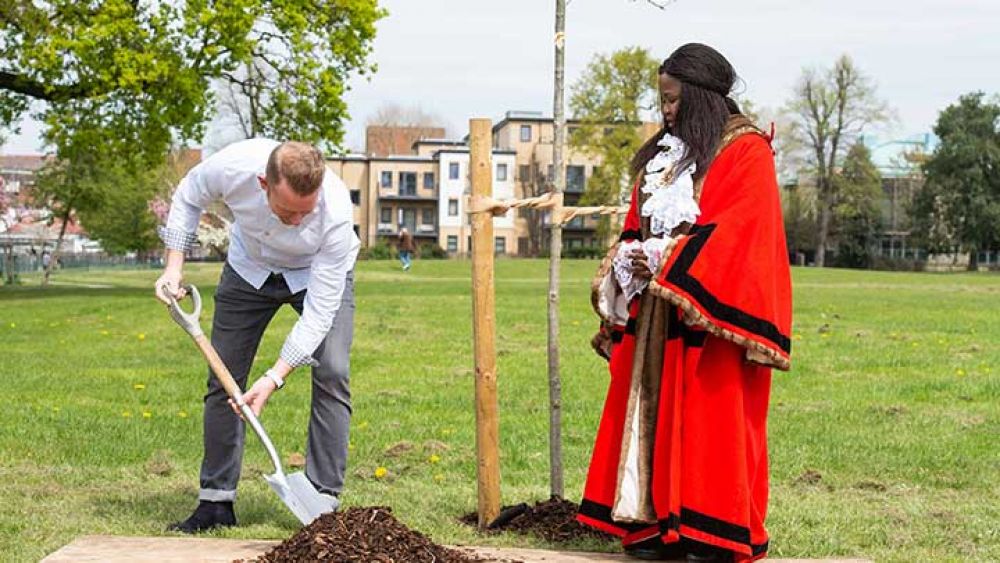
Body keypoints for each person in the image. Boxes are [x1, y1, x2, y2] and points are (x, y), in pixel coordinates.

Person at [577, 44, 792, 562]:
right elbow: (636, 222)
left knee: (710, 418)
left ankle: (709, 533)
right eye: (662, 100)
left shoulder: (746, 151)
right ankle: (652, 525)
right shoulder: (660, 158)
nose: (666, 111)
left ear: (698, 96)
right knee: (650, 411)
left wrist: (668, 259)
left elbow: (744, 234)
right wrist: (628, 259)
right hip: (655, 313)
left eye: (673, 100)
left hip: (711, 316)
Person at [154, 139, 360, 533]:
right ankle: (215, 502)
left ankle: (322, 500)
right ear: (263, 183)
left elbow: (317, 317)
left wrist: (275, 377)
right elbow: (187, 194)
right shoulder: (232, 166)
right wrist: (173, 267)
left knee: (332, 370)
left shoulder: (334, 211)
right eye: (287, 211)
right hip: (249, 270)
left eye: (306, 211)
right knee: (224, 379)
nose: (298, 221)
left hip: (315, 275)